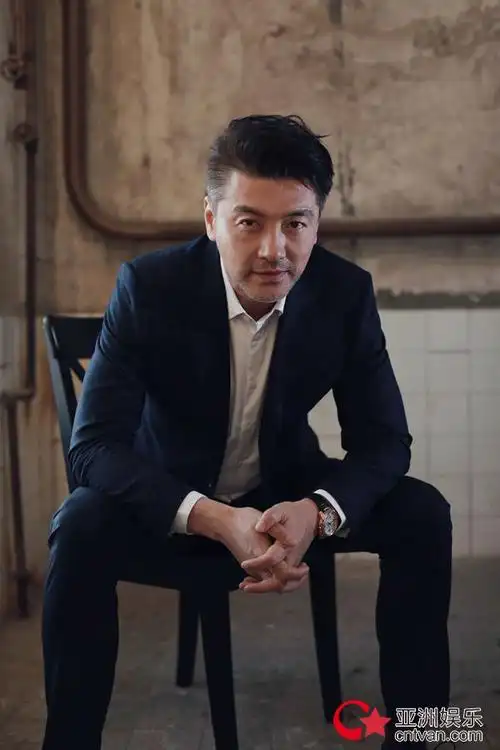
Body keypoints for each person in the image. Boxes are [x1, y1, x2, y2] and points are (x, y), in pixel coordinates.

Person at [41, 114, 452, 749]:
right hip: (172, 499)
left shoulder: (344, 293)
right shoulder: (149, 288)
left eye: (296, 224)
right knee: (79, 525)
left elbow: (384, 441)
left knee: (423, 514)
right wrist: (213, 517)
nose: (273, 250)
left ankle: (426, 738)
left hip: (287, 491)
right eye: (249, 223)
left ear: (317, 223)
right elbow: (93, 449)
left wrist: (319, 512)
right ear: (211, 220)